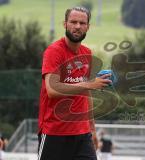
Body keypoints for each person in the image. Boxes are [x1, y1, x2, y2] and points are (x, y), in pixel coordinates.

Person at [38, 6, 111, 160]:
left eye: (82, 23)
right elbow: (52, 89)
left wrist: (92, 129)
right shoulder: (54, 52)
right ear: (65, 24)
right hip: (55, 133)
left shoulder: (87, 53)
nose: (78, 26)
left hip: (82, 134)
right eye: (73, 22)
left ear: (88, 27)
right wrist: (90, 84)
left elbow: (86, 93)